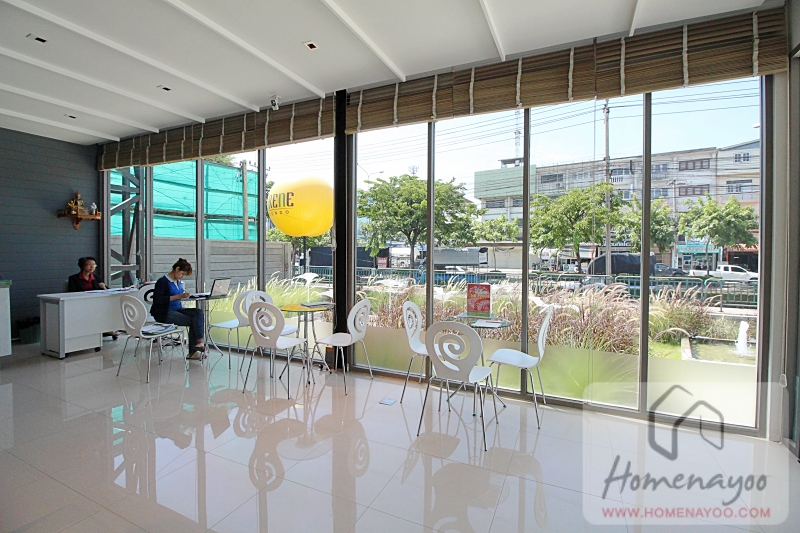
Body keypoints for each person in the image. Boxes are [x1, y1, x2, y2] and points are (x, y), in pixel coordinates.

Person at [150, 258, 205, 360]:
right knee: (194, 321)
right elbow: (158, 300)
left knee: (198, 312)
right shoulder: (162, 282)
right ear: (177, 269)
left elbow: (178, 295)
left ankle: (199, 344)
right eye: (182, 273)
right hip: (165, 312)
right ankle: (195, 350)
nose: (182, 276)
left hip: (178, 309)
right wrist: (178, 296)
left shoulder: (178, 281)